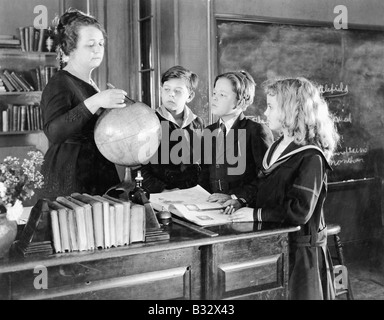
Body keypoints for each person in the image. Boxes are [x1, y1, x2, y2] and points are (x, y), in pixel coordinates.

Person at [227, 77, 340, 300]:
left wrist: (256, 214)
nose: (265, 113)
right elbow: (263, 182)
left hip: (301, 254)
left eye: (271, 107)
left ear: (292, 110)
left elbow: (299, 211)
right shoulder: (279, 144)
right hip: (278, 244)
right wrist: (241, 200)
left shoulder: (311, 156)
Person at [38, 8, 127, 200]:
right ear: (70, 48)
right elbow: (53, 132)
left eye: (101, 44)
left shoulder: (91, 83)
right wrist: (96, 101)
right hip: (70, 178)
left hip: (96, 173)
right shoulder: (60, 82)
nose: (98, 49)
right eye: (90, 45)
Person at [199, 70, 273, 208]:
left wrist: (236, 197)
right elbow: (205, 173)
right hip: (213, 209)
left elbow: (267, 178)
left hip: (244, 209)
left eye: (222, 95)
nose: (214, 98)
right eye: (214, 93)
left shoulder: (256, 131)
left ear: (240, 100)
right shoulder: (209, 131)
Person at [133, 65, 204, 193]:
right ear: (161, 91)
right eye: (166, 89)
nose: (171, 94)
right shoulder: (149, 121)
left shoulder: (197, 123)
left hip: (191, 194)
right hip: (160, 194)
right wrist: (163, 190)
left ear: (190, 96)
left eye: (178, 91)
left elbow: (201, 164)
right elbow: (138, 168)